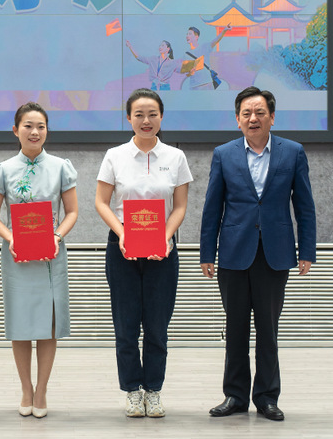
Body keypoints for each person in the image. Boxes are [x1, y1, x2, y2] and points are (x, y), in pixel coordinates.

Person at [199, 86, 316, 422]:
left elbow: (304, 206)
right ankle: (235, 396)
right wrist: (207, 252)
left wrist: (307, 250)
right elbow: (212, 208)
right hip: (234, 253)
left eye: (260, 112)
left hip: (275, 253)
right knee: (235, 328)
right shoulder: (224, 154)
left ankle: (266, 397)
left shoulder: (292, 152)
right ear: (237, 120)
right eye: (247, 113)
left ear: (272, 117)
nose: (253, 118)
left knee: (268, 329)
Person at [94, 88, 192, 418]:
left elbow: (180, 206)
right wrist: (123, 234)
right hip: (122, 246)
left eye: (152, 114)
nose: (146, 120)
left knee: (157, 326)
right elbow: (101, 202)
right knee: (125, 326)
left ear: (161, 117)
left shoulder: (175, 157)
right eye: (139, 114)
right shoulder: (115, 155)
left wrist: (165, 237)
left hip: (163, 247)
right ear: (129, 118)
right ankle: (132, 391)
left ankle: (153, 390)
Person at [0, 102, 79, 419]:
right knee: (21, 323)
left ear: (47, 130)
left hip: (51, 254)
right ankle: (26, 388)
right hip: (17, 256)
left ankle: (42, 390)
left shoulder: (61, 167)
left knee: (48, 326)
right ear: (16, 130)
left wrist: (56, 236)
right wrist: (11, 237)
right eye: (28, 125)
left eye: (40, 126)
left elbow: (72, 212)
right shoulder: (3, 169)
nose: (34, 131)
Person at [180, 24, 231, 90]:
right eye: (187, 34)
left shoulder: (204, 47)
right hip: (194, 86)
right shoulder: (186, 55)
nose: (187, 36)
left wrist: (224, 31)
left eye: (190, 34)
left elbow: (216, 41)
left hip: (207, 84)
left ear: (196, 36)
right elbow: (187, 74)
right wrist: (191, 73)